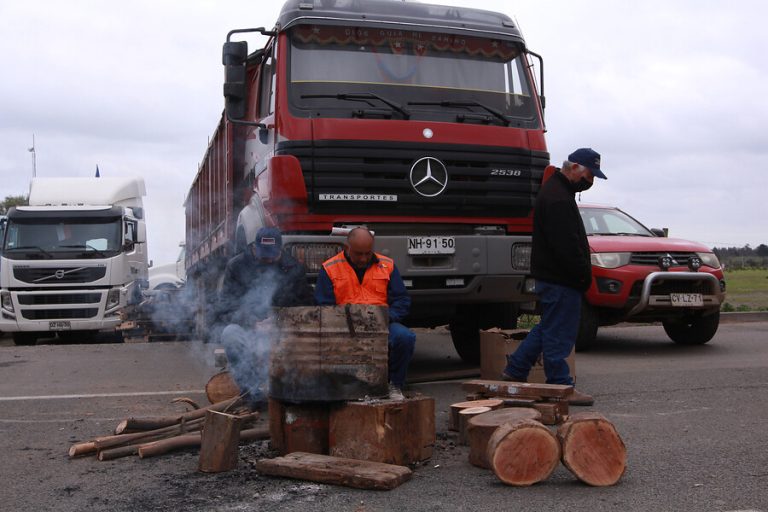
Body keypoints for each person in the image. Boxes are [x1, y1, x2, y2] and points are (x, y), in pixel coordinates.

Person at [501, 148, 608, 406]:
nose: (590, 182)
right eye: (589, 175)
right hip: (561, 279)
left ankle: (515, 370)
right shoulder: (558, 198)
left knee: (548, 327)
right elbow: (566, 246)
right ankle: (560, 385)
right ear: (575, 168)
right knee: (559, 334)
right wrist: (582, 276)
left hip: (554, 277)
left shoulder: (557, 191)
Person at [315, 227, 416, 401]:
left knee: (405, 338)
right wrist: (343, 322)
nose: (363, 258)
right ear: (348, 248)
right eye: (358, 254)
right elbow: (323, 306)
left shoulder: (387, 266)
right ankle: (341, 387)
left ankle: (395, 385)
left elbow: (402, 299)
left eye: (367, 253)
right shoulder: (330, 268)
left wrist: (387, 317)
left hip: (381, 323)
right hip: (345, 326)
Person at [217, 226, 314, 405]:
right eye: (264, 255)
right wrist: (252, 323)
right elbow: (226, 307)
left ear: (280, 249)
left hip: (282, 328)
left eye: (272, 255)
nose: (268, 259)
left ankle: (289, 389)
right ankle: (250, 391)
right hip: (248, 327)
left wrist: (279, 321)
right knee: (230, 334)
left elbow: (305, 304)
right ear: (254, 247)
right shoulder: (237, 266)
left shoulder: (293, 267)